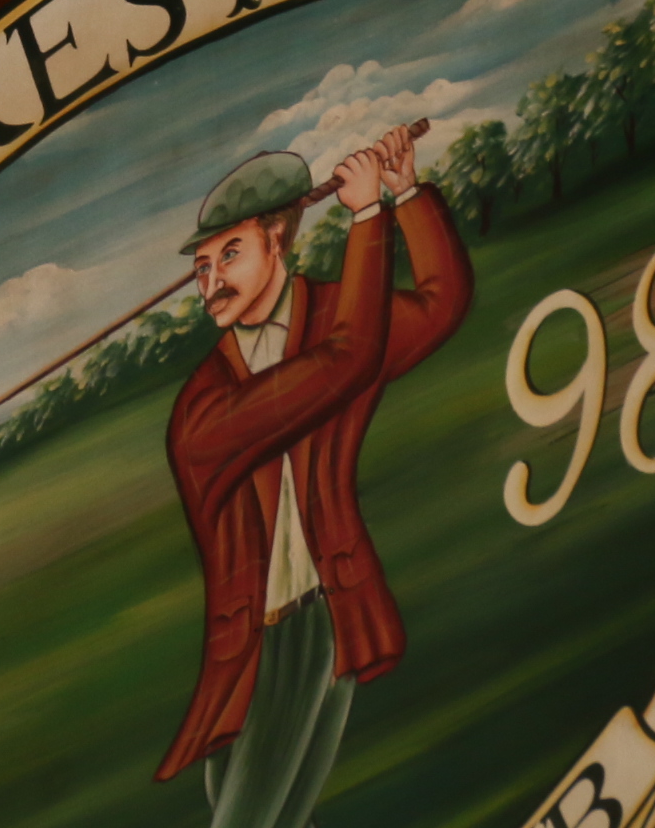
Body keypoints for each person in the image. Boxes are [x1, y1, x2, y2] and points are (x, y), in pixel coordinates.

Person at [157, 124, 473, 828]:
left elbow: (440, 304)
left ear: (281, 239)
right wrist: (366, 219)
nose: (211, 284)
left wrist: (407, 194)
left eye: (228, 255)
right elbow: (347, 362)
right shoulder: (200, 415)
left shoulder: (333, 313)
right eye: (202, 267)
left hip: (332, 615)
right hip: (256, 649)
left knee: (285, 815)